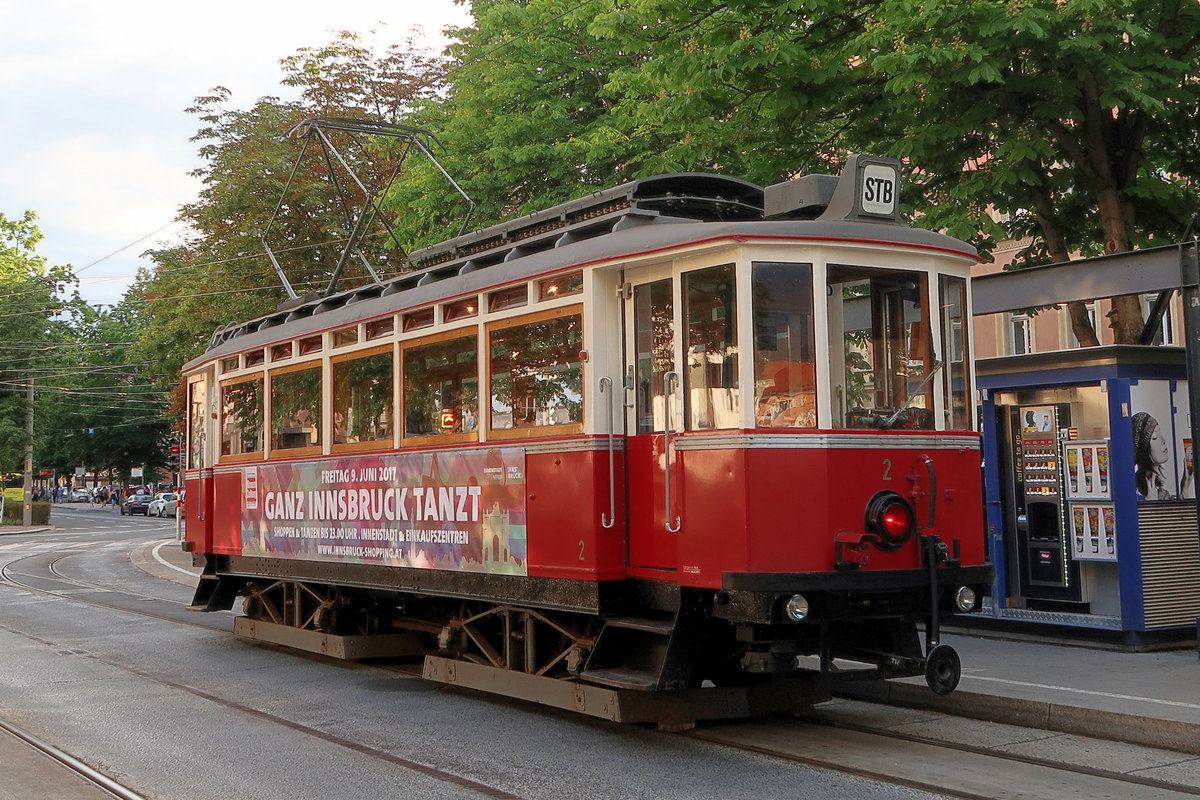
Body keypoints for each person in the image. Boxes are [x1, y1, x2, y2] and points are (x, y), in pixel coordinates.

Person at [1132, 411, 1173, 500]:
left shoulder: (1158, 484)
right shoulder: (1134, 488)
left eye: (1160, 433)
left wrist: (1186, 484)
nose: (1163, 440)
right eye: (1155, 437)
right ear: (1144, 449)